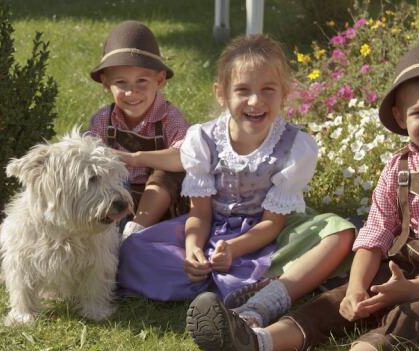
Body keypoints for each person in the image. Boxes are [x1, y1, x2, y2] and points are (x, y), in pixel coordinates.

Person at [185, 41, 419, 351]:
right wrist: (358, 284)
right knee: (336, 301)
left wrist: (410, 290)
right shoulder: (399, 169)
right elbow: (374, 235)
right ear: (401, 118)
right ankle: (255, 343)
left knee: (414, 315)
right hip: (398, 267)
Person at [0, 20, 189, 281]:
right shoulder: (103, 120)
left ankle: (133, 236)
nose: (132, 91)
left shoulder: (170, 119)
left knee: (164, 174)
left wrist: (135, 158)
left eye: (142, 81)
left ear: (160, 79)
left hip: (153, 207)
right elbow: (83, 162)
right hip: (106, 198)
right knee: (47, 185)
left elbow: (185, 157)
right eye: (122, 83)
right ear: (106, 84)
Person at [117, 34, 355, 304]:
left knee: (338, 232)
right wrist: (193, 249)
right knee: (135, 248)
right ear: (221, 94)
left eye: (268, 90)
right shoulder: (204, 140)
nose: (255, 101)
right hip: (212, 228)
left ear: (284, 94)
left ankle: (265, 287)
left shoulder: (294, 146)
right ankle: (225, 279)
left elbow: (272, 223)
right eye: (243, 90)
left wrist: (234, 248)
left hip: (268, 235)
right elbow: (200, 213)